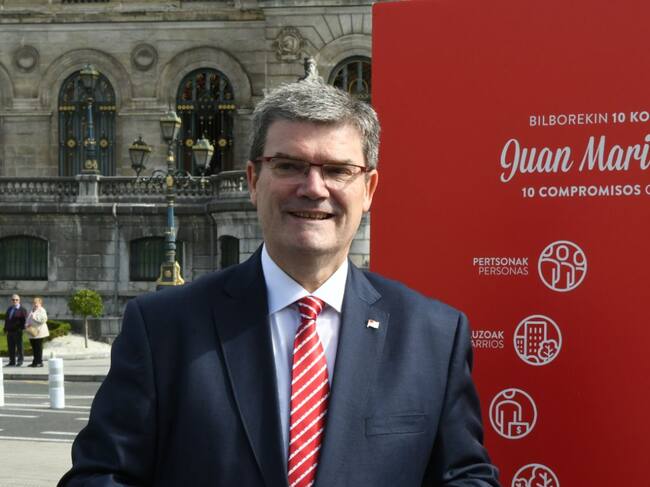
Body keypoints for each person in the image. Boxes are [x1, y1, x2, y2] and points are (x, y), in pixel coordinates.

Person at [60, 76, 500, 486]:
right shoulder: (162, 328)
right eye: (289, 165)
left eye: (337, 170)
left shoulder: (433, 335)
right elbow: (99, 477)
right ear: (254, 181)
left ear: (368, 189)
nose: (313, 188)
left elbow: (465, 477)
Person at [4, 294, 28, 367]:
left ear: (19, 300)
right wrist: (5, 329)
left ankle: (20, 361)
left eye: (16, 300)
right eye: (13, 300)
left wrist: (22, 329)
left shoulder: (22, 309)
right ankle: (12, 361)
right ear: (11, 300)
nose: (15, 301)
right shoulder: (9, 309)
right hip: (9, 331)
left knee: (19, 347)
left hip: (18, 331)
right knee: (11, 347)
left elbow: (25, 321)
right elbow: (7, 320)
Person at [25, 296, 49, 367]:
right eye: (34, 302)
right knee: (34, 348)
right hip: (32, 332)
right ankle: (35, 362)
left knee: (38, 348)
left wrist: (34, 317)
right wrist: (27, 324)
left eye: (36, 303)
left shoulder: (42, 310)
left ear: (40, 303)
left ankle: (39, 362)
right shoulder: (32, 310)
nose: (35, 304)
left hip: (39, 332)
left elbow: (44, 319)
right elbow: (29, 319)